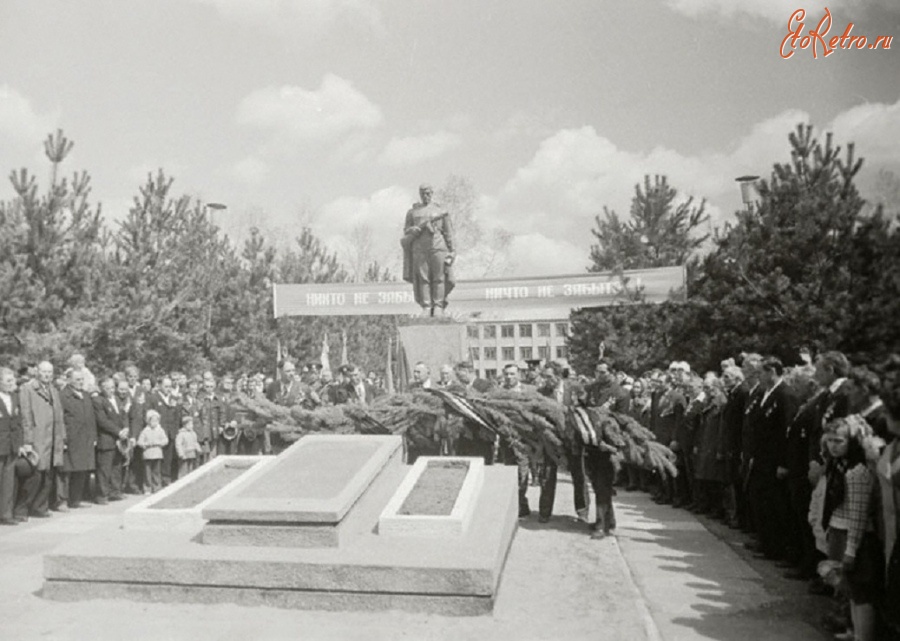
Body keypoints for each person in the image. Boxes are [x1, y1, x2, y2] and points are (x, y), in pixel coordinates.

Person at [818, 415, 882, 641]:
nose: (833, 446)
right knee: (848, 590)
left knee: (859, 593)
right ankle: (852, 630)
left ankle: (862, 635)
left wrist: (851, 550)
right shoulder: (838, 466)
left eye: (839, 441)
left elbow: (858, 516)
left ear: (851, 442)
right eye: (830, 441)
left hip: (853, 537)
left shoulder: (857, 472)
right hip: (838, 529)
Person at [15, 361, 65, 520]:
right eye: (44, 372)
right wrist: (28, 441)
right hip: (37, 438)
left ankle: (40, 507)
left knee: (48, 476)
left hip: (52, 438)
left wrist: (61, 437)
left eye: (50, 372)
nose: (47, 375)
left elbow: (60, 416)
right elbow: (25, 416)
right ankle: (21, 509)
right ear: (37, 372)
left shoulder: (53, 390)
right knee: (34, 476)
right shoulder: (27, 389)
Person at [401, 183, 456, 316]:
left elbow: (448, 232)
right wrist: (412, 230)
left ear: (432, 193)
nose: (426, 196)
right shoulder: (412, 212)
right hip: (419, 249)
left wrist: (452, 250)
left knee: (439, 278)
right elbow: (406, 231)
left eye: (428, 193)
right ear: (420, 194)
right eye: (423, 193)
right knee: (423, 279)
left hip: (438, 248)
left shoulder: (441, 211)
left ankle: (438, 306)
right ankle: (426, 306)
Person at [60, 369, 97, 509]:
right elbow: (61, 419)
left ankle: (76, 499)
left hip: (85, 438)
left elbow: (91, 418)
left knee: (82, 470)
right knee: (67, 472)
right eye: (77, 380)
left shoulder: (86, 395)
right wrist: (63, 439)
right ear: (69, 380)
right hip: (71, 439)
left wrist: (93, 436)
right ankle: (63, 500)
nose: (81, 382)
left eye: (82, 379)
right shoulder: (63, 396)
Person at [92, 377, 129, 503]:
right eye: (107, 388)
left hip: (119, 439)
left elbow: (124, 415)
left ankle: (115, 491)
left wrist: (125, 429)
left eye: (113, 387)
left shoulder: (117, 399)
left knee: (116, 467)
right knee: (104, 469)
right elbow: (102, 421)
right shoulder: (98, 400)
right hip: (106, 439)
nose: (111, 390)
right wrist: (118, 432)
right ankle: (101, 495)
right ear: (101, 388)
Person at [0, 367, 23, 525]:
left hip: (11, 446)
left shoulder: (15, 397)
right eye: (8, 380)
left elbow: (18, 422)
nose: (12, 383)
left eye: (13, 380)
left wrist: (20, 444)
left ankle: (6, 514)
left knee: (8, 482)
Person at [137, 410, 168, 493]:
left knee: (156, 472)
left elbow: (165, 440)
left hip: (157, 454)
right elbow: (139, 442)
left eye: (156, 421)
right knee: (147, 472)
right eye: (152, 421)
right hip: (148, 454)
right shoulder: (145, 431)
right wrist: (146, 444)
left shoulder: (160, 430)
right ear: (148, 421)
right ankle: (147, 488)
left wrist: (159, 443)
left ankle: (157, 487)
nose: (154, 423)